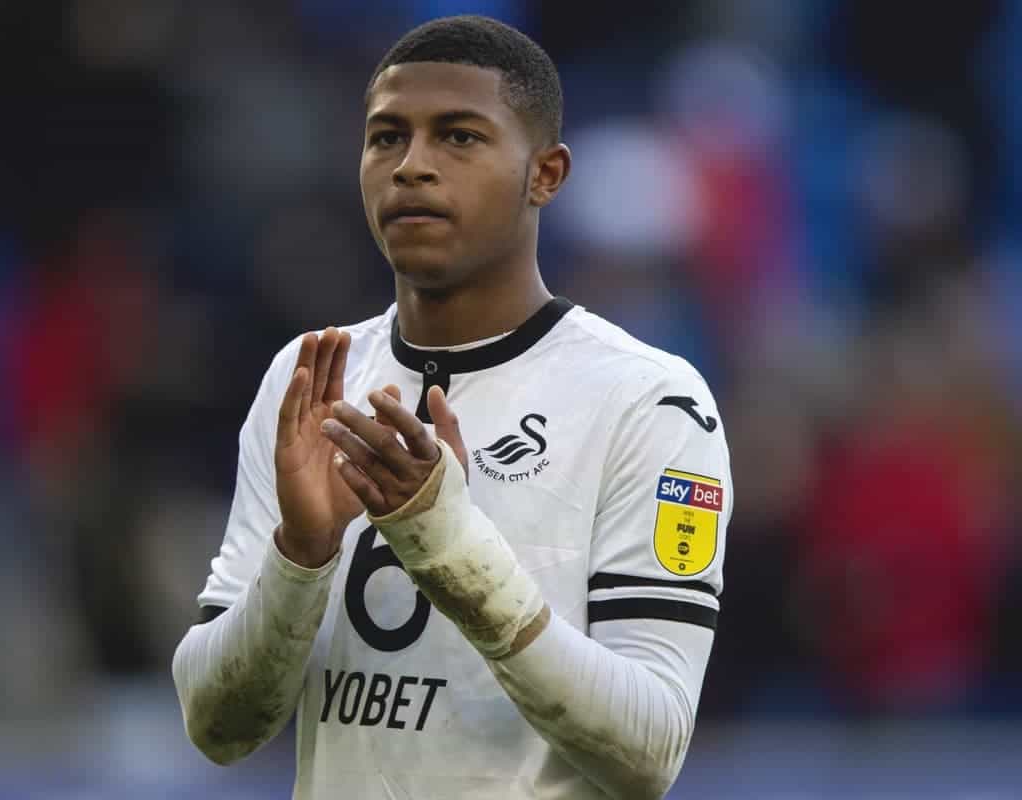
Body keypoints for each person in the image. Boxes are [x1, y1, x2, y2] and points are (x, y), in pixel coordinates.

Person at [172, 15, 732, 800]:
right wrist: (301, 551)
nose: (412, 167)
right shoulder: (313, 380)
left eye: (459, 137)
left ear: (546, 174)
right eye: (386, 138)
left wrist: (448, 542)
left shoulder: (651, 401)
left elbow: (651, 749)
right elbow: (215, 726)